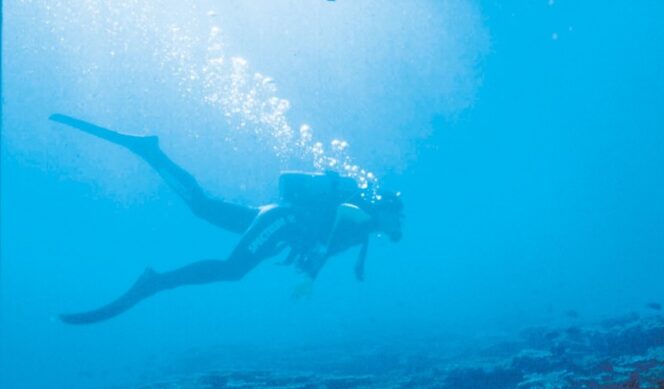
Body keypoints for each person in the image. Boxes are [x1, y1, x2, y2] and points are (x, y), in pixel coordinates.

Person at [49, 114, 403, 325]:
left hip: (277, 221)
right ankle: (155, 283)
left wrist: (313, 269)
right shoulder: (361, 215)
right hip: (281, 222)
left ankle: (151, 152)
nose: (398, 224)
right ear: (385, 210)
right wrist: (311, 272)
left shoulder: (364, 230)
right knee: (233, 270)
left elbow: (326, 238)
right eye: (396, 216)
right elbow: (338, 218)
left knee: (203, 207)